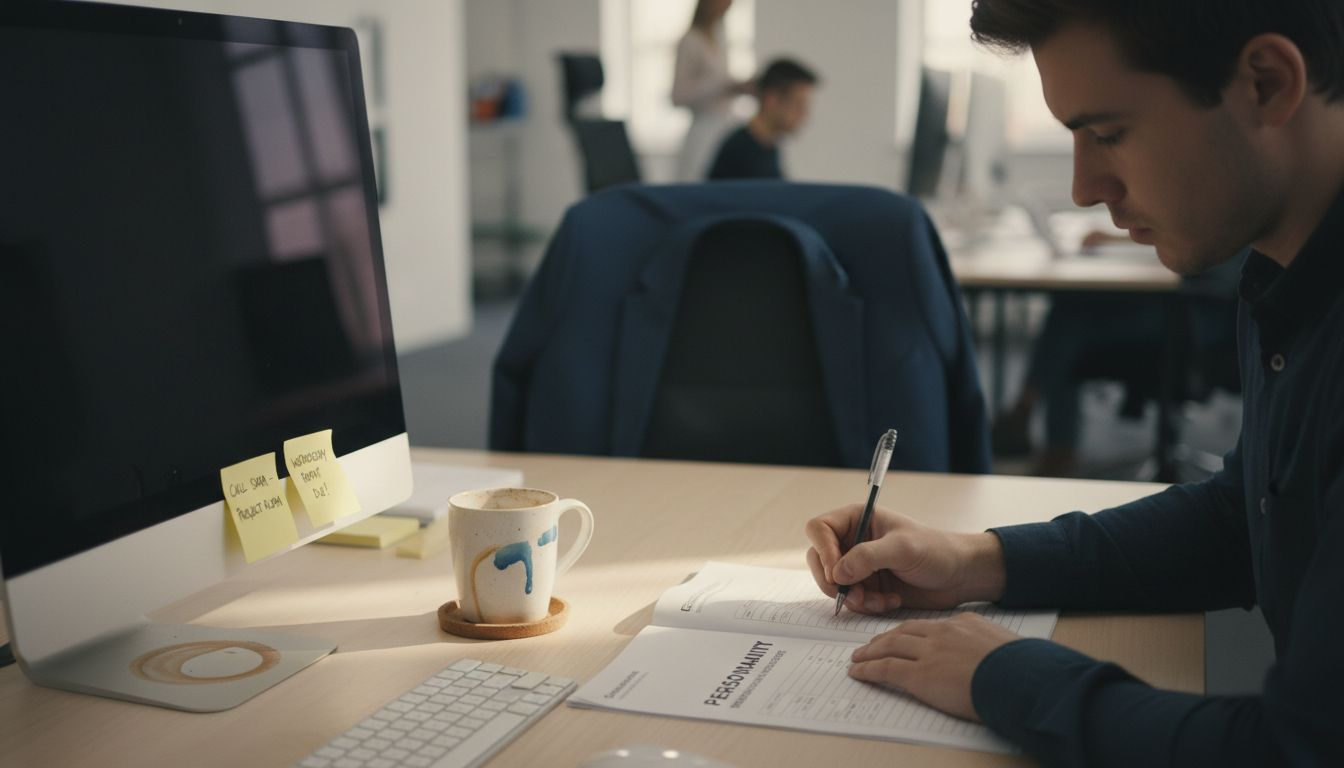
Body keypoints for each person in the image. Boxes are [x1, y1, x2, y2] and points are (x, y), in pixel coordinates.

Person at [805, 1, 1344, 764]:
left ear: (1265, 84)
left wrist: (1010, 674)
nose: (1087, 186)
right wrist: (974, 561)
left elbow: (1299, 752)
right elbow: (1246, 515)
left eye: (1109, 134)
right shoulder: (1284, 276)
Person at [991, 254, 1241, 477]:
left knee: (1070, 318)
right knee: (1071, 312)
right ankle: (1042, 432)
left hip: (1197, 316)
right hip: (1190, 301)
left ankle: (1039, 428)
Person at [671, 0, 750, 182]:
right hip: (702, 132)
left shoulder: (720, 38)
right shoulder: (689, 41)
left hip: (724, 128)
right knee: (696, 185)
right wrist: (722, 85)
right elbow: (678, 96)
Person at [707, 58, 818, 181]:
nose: (804, 114)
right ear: (772, 99)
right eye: (798, 104)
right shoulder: (740, 151)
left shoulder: (770, 147)